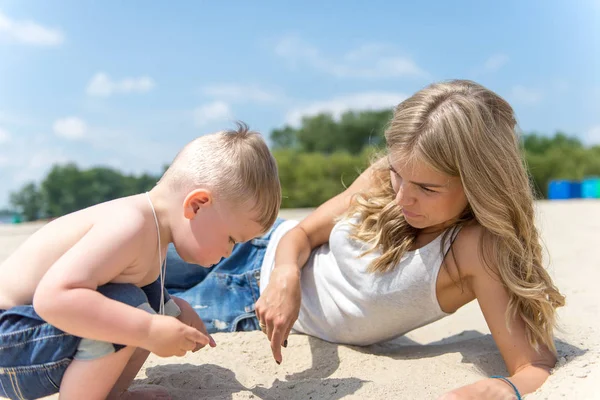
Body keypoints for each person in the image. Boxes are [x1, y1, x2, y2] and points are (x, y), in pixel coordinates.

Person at [164, 80, 566, 398]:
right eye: (397, 173)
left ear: (480, 185)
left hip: (246, 309)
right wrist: (285, 275)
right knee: (119, 246)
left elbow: (533, 365)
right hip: (255, 244)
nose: (402, 196)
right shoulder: (383, 179)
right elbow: (303, 232)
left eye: (426, 188)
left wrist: (506, 389)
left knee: (121, 300)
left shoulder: (476, 250)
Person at [0, 123, 281, 400]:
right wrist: (148, 329)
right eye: (231, 238)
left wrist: (174, 309)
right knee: (130, 306)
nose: (228, 254)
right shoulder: (131, 223)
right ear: (196, 205)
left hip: (26, 342)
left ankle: (109, 394)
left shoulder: (151, 233)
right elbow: (54, 297)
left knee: (152, 302)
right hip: (9, 341)